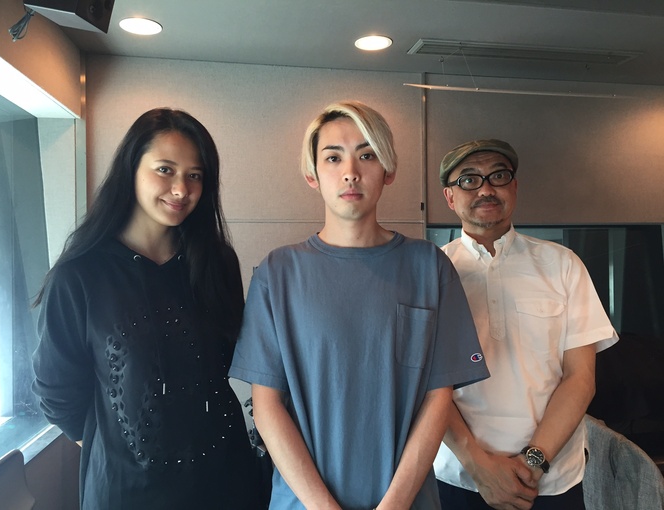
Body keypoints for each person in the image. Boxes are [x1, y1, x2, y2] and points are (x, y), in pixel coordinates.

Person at [229, 100, 490, 509]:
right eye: (333, 157)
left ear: (388, 170)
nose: (350, 171)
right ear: (312, 174)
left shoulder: (429, 267)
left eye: (367, 155)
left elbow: (438, 399)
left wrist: (395, 504)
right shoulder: (278, 273)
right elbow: (266, 406)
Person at [31, 108, 261, 509]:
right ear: (131, 169)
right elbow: (57, 393)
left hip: (225, 482)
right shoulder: (80, 275)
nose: (181, 189)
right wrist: (124, 445)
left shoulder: (216, 262)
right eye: (165, 170)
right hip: (125, 492)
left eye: (195, 175)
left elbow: (227, 362)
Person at [433, 139, 619, 510]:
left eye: (498, 176)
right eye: (469, 179)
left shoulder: (563, 264)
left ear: (514, 187)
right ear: (450, 197)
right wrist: (479, 466)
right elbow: (429, 385)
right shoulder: (431, 272)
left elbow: (580, 377)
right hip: (458, 478)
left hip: (551, 480)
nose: (486, 188)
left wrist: (533, 462)